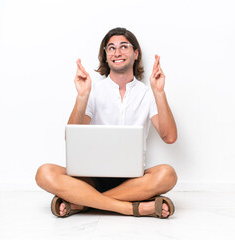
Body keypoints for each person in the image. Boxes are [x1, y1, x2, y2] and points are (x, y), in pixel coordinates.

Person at [35, 27, 178, 219]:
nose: (117, 52)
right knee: (44, 173)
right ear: (105, 55)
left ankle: (81, 203)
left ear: (136, 54)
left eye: (124, 47)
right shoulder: (93, 91)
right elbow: (71, 137)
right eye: (111, 48)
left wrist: (159, 92)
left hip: (133, 180)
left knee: (167, 174)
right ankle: (131, 208)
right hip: (91, 177)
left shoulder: (147, 93)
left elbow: (169, 137)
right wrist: (82, 96)